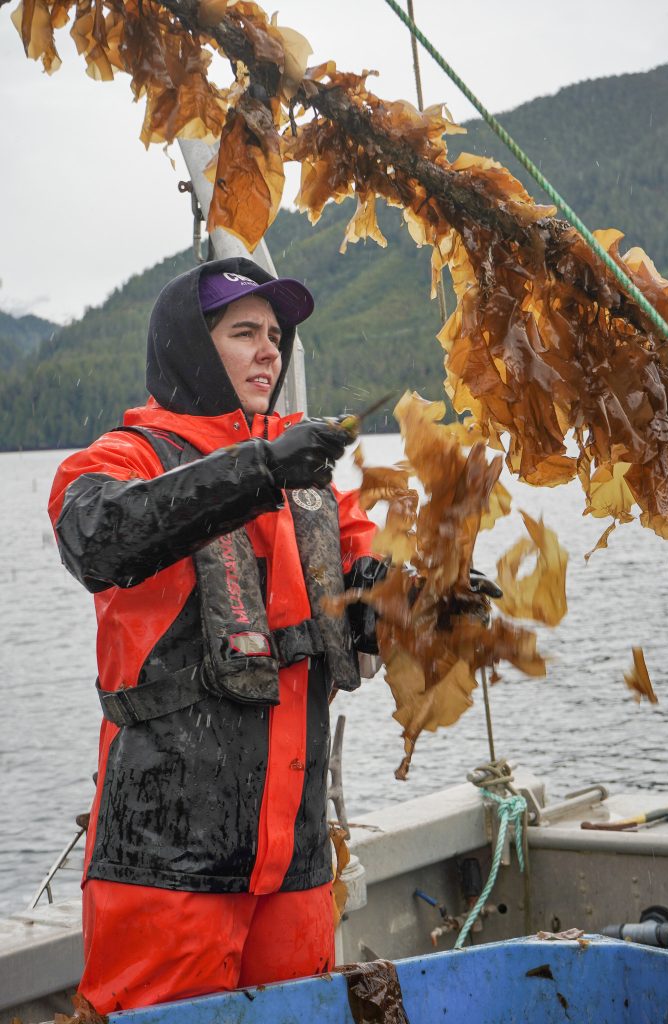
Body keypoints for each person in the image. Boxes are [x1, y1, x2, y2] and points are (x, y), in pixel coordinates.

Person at [48, 257, 385, 1013]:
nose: (270, 350)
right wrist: (259, 467)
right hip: (166, 867)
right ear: (191, 348)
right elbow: (98, 541)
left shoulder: (315, 479)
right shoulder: (116, 461)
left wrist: (425, 604)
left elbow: (372, 586)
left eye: (275, 335)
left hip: (295, 868)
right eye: (244, 333)